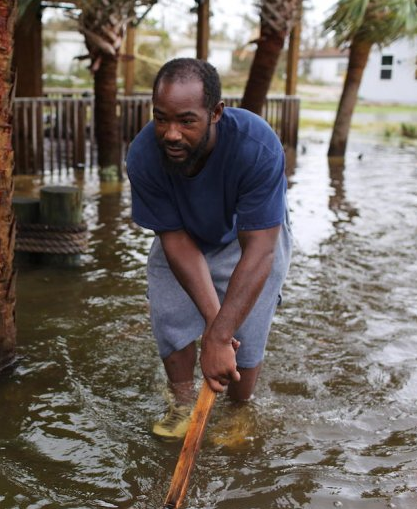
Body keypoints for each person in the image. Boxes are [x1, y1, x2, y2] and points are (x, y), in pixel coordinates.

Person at [126, 58, 293, 440]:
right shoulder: (143, 155)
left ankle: (239, 410)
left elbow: (261, 252)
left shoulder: (257, 146)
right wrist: (216, 327)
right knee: (170, 315)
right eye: (161, 118)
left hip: (250, 237)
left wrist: (221, 336)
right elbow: (174, 240)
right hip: (184, 232)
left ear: (215, 112)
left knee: (248, 326)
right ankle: (182, 404)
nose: (170, 134)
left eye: (186, 120)